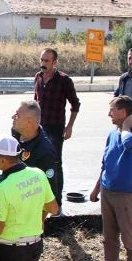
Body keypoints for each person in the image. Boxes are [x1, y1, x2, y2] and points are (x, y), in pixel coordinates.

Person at [89, 96, 132, 261]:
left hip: (127, 196)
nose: (109, 114)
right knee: (109, 239)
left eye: (112, 110)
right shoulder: (112, 134)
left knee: (130, 242)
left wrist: (125, 127)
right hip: (108, 192)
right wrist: (97, 188)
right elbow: (105, 163)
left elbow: (129, 144)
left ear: (123, 112)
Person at [33, 48, 80, 205]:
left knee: (54, 163)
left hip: (55, 127)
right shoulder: (38, 77)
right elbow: (35, 102)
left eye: (46, 61)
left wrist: (69, 126)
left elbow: (75, 104)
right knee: (38, 162)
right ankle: (40, 200)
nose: (43, 64)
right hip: (39, 128)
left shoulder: (64, 80)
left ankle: (56, 202)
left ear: (54, 62)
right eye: (42, 60)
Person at [11, 100, 61, 209]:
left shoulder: (45, 152)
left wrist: (40, 220)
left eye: (17, 115)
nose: (12, 117)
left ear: (29, 121)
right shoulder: (16, 132)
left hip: (30, 208)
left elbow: (50, 193)